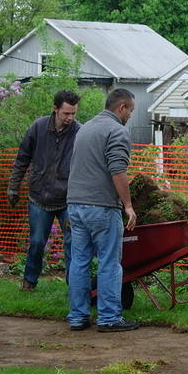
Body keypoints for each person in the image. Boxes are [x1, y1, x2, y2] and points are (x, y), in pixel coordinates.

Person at [66, 88, 139, 333]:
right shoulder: (117, 130)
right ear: (121, 108)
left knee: (79, 261)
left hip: (75, 205)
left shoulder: (84, 128)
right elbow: (117, 170)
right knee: (109, 262)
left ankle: (77, 317)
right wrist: (127, 205)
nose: (130, 116)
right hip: (102, 207)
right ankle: (108, 318)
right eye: (130, 111)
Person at [7, 90, 81, 291]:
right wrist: (13, 187)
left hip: (67, 199)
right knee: (37, 242)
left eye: (73, 113)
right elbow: (22, 159)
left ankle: (74, 286)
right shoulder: (38, 128)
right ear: (55, 109)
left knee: (72, 243)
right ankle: (29, 281)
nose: (70, 118)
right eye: (66, 113)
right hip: (39, 197)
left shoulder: (79, 132)